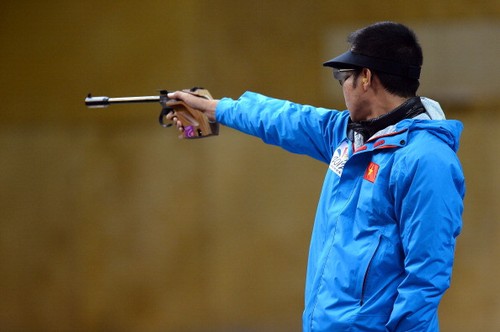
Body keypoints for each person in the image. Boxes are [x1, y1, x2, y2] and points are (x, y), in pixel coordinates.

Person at [167, 21, 465, 332]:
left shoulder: (427, 160)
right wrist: (214, 109)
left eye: (343, 76)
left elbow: (427, 273)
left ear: (366, 78)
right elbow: (285, 118)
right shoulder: (349, 133)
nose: (342, 85)